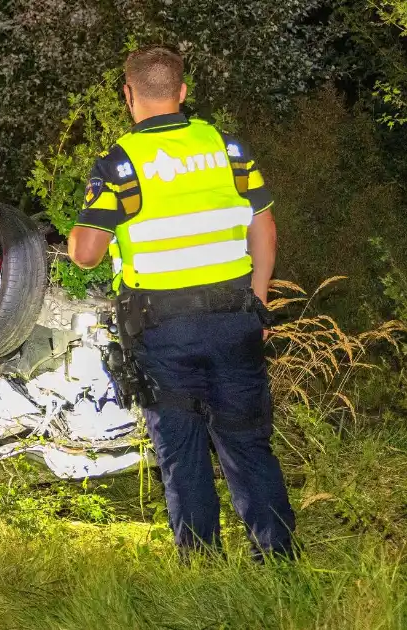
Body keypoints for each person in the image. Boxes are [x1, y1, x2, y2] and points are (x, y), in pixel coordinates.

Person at [68, 45, 295, 561]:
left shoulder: (120, 165)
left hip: (162, 330)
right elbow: (265, 227)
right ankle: (280, 559)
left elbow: (85, 254)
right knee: (247, 442)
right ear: (183, 93)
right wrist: (257, 303)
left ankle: (202, 566)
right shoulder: (228, 149)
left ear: (128, 95)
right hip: (235, 320)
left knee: (182, 450)